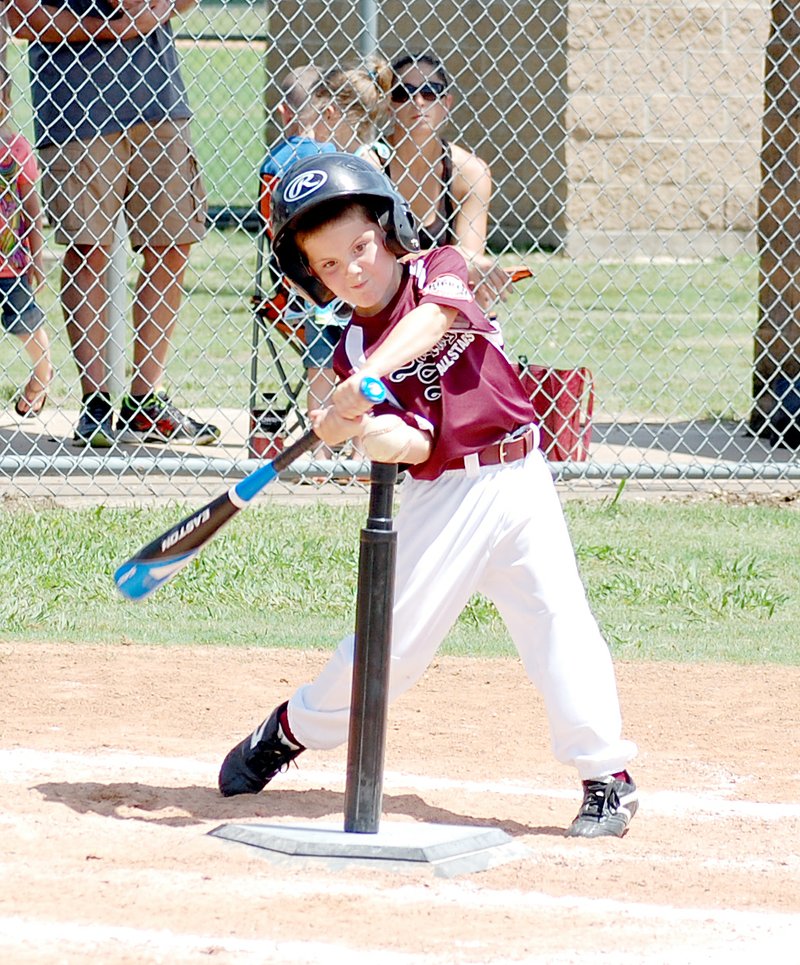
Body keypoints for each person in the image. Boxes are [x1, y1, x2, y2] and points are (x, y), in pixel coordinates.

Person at [218, 153, 639, 839]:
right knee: (391, 653)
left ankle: (607, 777)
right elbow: (416, 446)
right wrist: (367, 429)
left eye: (359, 247)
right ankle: (291, 728)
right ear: (312, 278)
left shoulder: (436, 268)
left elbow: (437, 321)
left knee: (558, 620)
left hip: (523, 474)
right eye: (329, 265)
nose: (352, 270)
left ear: (385, 230)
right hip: (447, 497)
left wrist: (361, 384)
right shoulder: (350, 348)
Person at [6, 0, 220, 448]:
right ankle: (97, 402)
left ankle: (145, 400)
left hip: (158, 101)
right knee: (90, 248)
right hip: (75, 111)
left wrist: (148, 15)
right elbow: (25, 17)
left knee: (172, 242)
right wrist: (118, 27)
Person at [385, 50, 511, 311]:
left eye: (431, 91)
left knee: (479, 287)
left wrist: (461, 262)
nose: (418, 101)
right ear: (389, 104)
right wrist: (450, 259)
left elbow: (471, 258)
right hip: (381, 297)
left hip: (437, 299)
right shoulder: (370, 165)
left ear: (447, 102)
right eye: (403, 92)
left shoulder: (470, 172)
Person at [258, 65, 338, 434]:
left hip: (290, 295)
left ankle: (319, 447)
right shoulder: (337, 160)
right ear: (330, 113)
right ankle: (356, 451)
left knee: (320, 352)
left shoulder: (272, 164)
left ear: (283, 114)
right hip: (342, 288)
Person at [0, 62, 52, 418]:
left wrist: (36, 254)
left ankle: (43, 372)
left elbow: (32, 208)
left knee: (25, 321)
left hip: (11, 262)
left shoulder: (16, 150)